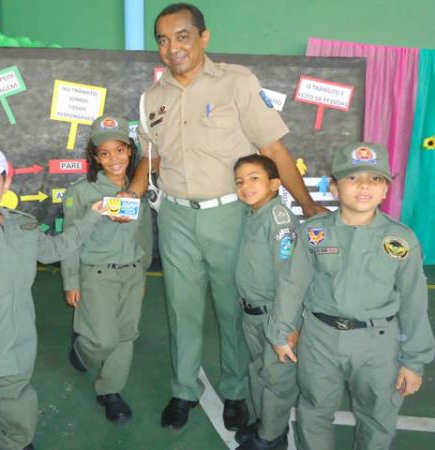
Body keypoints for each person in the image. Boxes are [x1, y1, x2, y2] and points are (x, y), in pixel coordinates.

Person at [128, 2, 325, 430]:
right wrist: (130, 195)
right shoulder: (152, 98)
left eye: (182, 36)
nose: (172, 47)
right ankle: (183, 390)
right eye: (163, 39)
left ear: (203, 37)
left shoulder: (236, 82)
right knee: (180, 308)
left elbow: (273, 149)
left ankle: (234, 390)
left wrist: (307, 205)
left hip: (230, 216)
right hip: (176, 218)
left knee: (231, 307)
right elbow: (151, 156)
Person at [266, 142, 435, 450]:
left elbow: (414, 304)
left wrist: (415, 361)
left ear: (386, 190)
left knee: (378, 416)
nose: (364, 187)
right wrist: (279, 332)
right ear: (333, 187)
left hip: (378, 344)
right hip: (320, 339)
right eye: (353, 178)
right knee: (314, 410)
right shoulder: (313, 232)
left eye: (375, 179)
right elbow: (293, 285)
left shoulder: (401, 240)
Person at [0, 144, 104, 450]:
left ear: (6, 183)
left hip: (20, 339)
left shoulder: (22, 225)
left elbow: (54, 250)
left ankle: (15, 443)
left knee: (17, 398)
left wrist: (91, 218)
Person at [61, 115, 153, 423]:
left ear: (130, 151)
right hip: (96, 273)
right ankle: (81, 349)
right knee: (101, 339)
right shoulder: (81, 192)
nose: (114, 159)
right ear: (95, 157)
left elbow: (144, 233)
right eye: (104, 153)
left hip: (131, 272)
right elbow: (71, 239)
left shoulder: (137, 188)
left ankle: (110, 390)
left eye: (120, 150)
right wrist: (70, 280)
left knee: (126, 334)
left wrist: (143, 271)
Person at [232, 155, 300, 450]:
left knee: (277, 378)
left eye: (254, 178)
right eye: (239, 181)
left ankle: (272, 437)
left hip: (276, 315)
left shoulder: (278, 220)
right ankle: (265, 422)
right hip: (253, 312)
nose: (246, 185)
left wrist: (285, 326)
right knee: (259, 369)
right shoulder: (254, 214)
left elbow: (290, 278)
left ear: (274, 183)